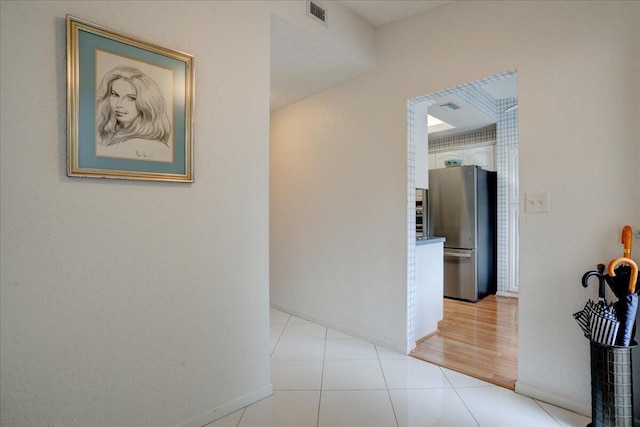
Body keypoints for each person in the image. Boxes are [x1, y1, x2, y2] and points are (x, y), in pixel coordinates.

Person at [95, 65, 172, 162]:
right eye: (115, 95)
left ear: (146, 103)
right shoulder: (107, 135)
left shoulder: (147, 145)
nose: (119, 104)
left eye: (131, 98)